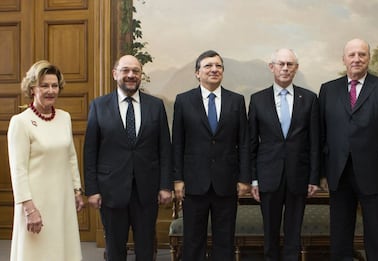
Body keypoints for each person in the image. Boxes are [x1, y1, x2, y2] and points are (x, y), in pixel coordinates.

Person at [319, 38, 378, 261]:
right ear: (344, 59)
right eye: (352, 55)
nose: (357, 59)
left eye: (362, 54)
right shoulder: (328, 90)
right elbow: (320, 135)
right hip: (338, 175)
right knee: (339, 237)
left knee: (376, 237)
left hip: (376, 175)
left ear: (369, 58)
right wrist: (321, 173)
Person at [83, 55, 172, 261]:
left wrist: (165, 185)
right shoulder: (99, 106)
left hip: (147, 190)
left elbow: (164, 149)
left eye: (136, 71)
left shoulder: (155, 106)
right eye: (125, 70)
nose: (131, 75)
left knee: (146, 247)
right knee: (114, 247)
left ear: (141, 75)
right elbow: (90, 151)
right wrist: (93, 189)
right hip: (111, 190)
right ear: (115, 74)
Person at [172, 50, 251, 260]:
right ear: (197, 73)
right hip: (193, 182)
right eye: (208, 66)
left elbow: (243, 143)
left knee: (224, 240)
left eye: (218, 66)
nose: (214, 70)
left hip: (226, 183)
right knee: (193, 240)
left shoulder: (236, 101)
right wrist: (177, 178)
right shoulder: (183, 101)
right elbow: (177, 142)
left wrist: (244, 178)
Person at [7, 60, 84, 261]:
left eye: (54, 85)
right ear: (33, 89)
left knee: (63, 251)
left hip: (63, 200)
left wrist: (76, 189)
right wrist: (29, 209)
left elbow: (70, 155)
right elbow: (18, 170)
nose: (51, 90)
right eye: (44, 85)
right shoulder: (20, 122)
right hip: (35, 203)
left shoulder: (64, 117)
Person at [248, 49, 320, 261]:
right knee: (269, 232)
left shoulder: (309, 99)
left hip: (299, 175)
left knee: (293, 232)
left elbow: (315, 142)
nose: (285, 68)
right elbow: (251, 143)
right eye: (281, 64)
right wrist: (253, 179)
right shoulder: (257, 99)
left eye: (290, 64)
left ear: (296, 68)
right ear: (272, 67)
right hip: (268, 176)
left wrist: (314, 177)